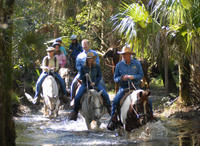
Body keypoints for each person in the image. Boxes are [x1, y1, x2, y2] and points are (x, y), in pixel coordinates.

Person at [107, 46, 153, 131]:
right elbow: (115, 78)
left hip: (136, 87)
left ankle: (151, 117)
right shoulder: (119, 65)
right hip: (124, 88)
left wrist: (133, 77)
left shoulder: (136, 63)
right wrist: (121, 78)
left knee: (148, 100)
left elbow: (141, 75)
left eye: (126, 54)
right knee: (116, 101)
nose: (125, 56)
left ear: (130, 55)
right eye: (123, 54)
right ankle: (113, 120)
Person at [69, 52, 111, 121]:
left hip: (96, 84)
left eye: (91, 59)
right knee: (77, 97)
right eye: (89, 59)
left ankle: (109, 109)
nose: (90, 60)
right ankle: (75, 112)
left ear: (93, 59)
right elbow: (81, 77)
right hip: (85, 84)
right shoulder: (83, 67)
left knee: (105, 94)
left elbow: (99, 76)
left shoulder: (97, 66)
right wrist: (85, 77)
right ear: (87, 59)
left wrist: (95, 82)